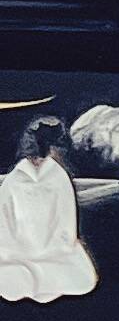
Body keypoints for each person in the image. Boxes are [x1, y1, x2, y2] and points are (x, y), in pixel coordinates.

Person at [0, 116, 98, 301]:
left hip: (54, 251)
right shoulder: (14, 180)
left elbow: (66, 224)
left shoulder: (58, 177)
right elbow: (3, 222)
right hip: (17, 251)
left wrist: (58, 245)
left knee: (79, 278)